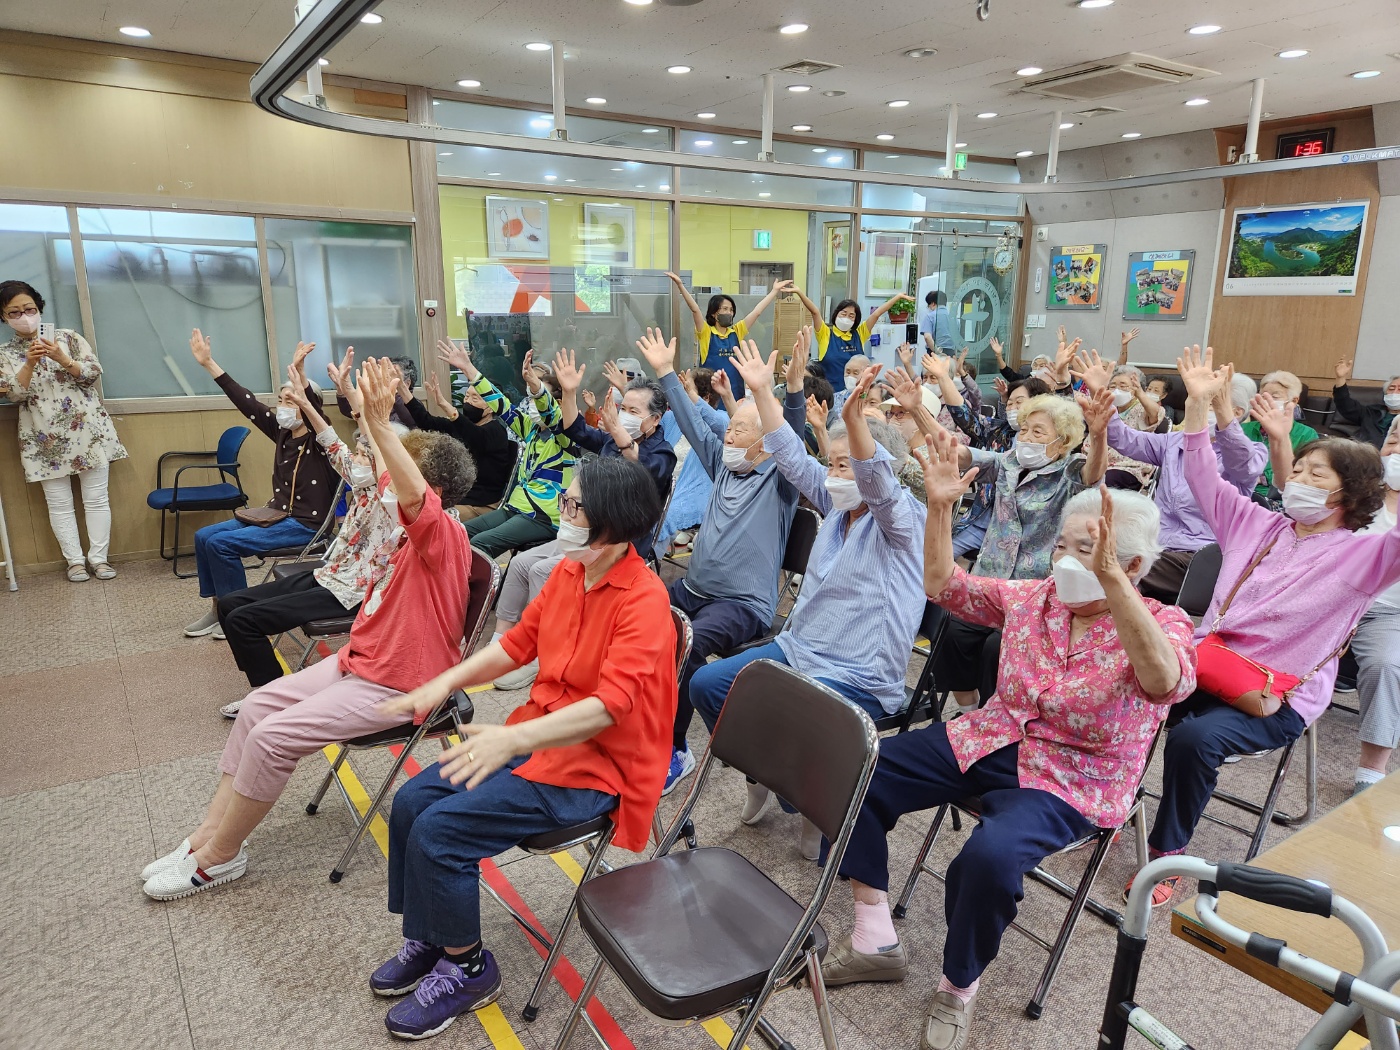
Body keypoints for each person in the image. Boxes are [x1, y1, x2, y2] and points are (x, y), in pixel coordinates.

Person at [822, 430, 1195, 1050]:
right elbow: (943, 586)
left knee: (987, 860)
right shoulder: (1035, 599)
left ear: (1133, 566)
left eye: (1088, 551)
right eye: (1063, 547)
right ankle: (874, 937)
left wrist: (1114, 587)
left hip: (1071, 777)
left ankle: (958, 984)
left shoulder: (1166, 623)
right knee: (859, 765)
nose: (1065, 561)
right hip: (991, 735)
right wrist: (939, 508)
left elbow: (1163, 683)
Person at [140, 358, 475, 901]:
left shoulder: (442, 534)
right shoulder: (405, 517)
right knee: (256, 708)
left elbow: (410, 491)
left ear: (431, 488)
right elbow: (382, 472)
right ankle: (205, 837)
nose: (384, 475)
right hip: (362, 661)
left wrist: (380, 421)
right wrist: (364, 413)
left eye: (400, 468)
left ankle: (220, 857)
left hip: (401, 682)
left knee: (272, 739)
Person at [367, 457, 674, 1041]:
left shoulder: (644, 601)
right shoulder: (569, 572)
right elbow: (515, 645)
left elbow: (609, 708)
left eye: (575, 505)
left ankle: (469, 970)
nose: (564, 511)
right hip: (536, 738)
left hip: (592, 768)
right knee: (410, 803)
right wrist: (445, 681)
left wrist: (513, 737)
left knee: (441, 832)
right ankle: (433, 936)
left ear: (611, 521)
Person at [1137, 346, 1400, 906]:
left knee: (1193, 739)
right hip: (1207, 664)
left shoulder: (1363, 556)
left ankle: (1167, 853)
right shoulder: (1255, 523)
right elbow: (1202, 474)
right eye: (1297, 469)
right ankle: (1107, 804)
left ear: (1347, 494)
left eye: (1315, 474)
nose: (1298, 478)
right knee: (1131, 687)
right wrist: (1198, 406)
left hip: (1276, 697)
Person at [692, 335, 923, 858]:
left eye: (847, 465)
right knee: (708, 685)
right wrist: (761, 392)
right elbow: (793, 458)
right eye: (834, 464)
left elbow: (877, 482)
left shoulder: (903, 520)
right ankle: (766, 775)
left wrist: (856, 423)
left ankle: (806, 800)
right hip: (800, 649)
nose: (836, 475)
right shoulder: (838, 505)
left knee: (788, 717)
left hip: (858, 673)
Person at [215, 363, 473, 708]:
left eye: (370, 454)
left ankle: (266, 696)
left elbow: (391, 467)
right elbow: (334, 443)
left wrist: (376, 421)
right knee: (230, 605)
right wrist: (347, 403)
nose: (361, 458)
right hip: (332, 573)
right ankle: (266, 692)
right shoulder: (370, 485)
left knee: (242, 620)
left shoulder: (406, 507)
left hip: (352, 590)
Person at [634, 327, 805, 795]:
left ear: (767, 443)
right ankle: (632, 720)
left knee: (683, 643)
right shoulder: (723, 465)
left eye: (740, 429)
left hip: (742, 605)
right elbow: (693, 423)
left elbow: (792, 437)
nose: (728, 434)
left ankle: (675, 750)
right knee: (631, 615)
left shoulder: (781, 479)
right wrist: (665, 372)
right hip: (694, 589)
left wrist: (789, 390)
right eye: (729, 428)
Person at [489, 349, 676, 691]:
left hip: (615, 544)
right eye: (622, 408)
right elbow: (575, 428)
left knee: (541, 570)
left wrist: (619, 433)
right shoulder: (612, 441)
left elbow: (643, 471)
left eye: (633, 412)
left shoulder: (661, 453)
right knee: (519, 564)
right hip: (584, 531)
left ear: (655, 420)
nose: (623, 416)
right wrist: (570, 392)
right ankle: (500, 644)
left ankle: (541, 655)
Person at [933, 387, 1109, 715]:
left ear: (1063, 441)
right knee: (953, 634)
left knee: (996, 648)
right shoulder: (1009, 462)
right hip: (990, 579)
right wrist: (919, 410)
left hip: (1035, 590)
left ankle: (1001, 718)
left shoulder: (1070, 472)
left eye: (1038, 432)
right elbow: (961, 453)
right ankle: (972, 714)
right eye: (1025, 429)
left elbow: (1093, 474)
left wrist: (1099, 435)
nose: (1026, 437)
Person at [183, 331, 339, 639]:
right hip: (276, 514)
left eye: (291, 401)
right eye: (280, 400)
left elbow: (316, 413)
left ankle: (235, 612)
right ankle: (218, 607)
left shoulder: (321, 441)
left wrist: (301, 378)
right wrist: (209, 364)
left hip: (306, 525)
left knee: (221, 544)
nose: (282, 407)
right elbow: (246, 402)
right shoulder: (282, 432)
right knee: (204, 537)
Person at [0, 280, 127, 582]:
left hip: (88, 430)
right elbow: (12, 394)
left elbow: (93, 374)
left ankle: (100, 560)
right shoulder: (4, 354)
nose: (24, 316)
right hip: (42, 437)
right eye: (14, 312)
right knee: (59, 504)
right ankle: (75, 562)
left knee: (97, 499)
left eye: (29, 309)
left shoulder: (68, 338)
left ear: (39, 307)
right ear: (4, 317)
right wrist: (29, 363)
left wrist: (62, 358)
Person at [1105, 367, 1268, 602]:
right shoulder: (1174, 441)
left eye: (1208, 403)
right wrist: (1102, 396)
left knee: (1120, 571)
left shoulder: (1252, 453)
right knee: (1098, 552)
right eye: (1195, 400)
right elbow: (1124, 439)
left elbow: (1243, 462)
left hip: (1201, 555)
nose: (1198, 408)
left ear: (1236, 412)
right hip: (1157, 544)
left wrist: (1223, 417)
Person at [458, 350, 576, 557]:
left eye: (537, 399)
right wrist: (468, 369)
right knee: (460, 531)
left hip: (543, 515)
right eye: (531, 398)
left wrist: (534, 383)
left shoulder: (565, 435)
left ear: (557, 404)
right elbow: (500, 403)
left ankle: (476, 579)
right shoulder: (530, 429)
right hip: (516, 507)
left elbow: (550, 412)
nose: (532, 404)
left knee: (479, 544)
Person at [399, 340, 517, 519]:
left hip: (481, 503)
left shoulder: (495, 431)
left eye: (475, 399)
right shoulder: (463, 424)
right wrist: (404, 391)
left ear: (490, 407)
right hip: (459, 498)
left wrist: (445, 405)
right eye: (466, 396)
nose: (467, 402)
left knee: (427, 518)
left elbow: (474, 436)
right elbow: (427, 422)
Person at [1351, 417, 1400, 795]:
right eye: (1395, 437)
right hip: (1337, 598)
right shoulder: (1357, 490)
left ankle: (1371, 771)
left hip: (1387, 613)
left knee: (1386, 665)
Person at [665, 271, 792, 398]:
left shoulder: (737, 331)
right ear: (714, 313)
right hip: (711, 394)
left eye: (731, 310)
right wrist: (680, 285)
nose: (729, 313)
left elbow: (757, 311)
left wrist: (774, 291)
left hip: (735, 393)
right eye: (725, 309)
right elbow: (695, 310)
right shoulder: (706, 332)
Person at [654, 367, 730, 557]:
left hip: (695, 495)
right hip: (662, 489)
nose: (679, 395)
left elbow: (722, 426)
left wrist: (690, 397)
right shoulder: (672, 418)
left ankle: (645, 565)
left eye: (685, 388)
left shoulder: (720, 419)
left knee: (661, 517)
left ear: (705, 398)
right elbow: (648, 419)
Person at [793, 289, 907, 389]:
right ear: (836, 314)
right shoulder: (826, 334)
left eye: (851, 316)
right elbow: (815, 312)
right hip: (830, 394)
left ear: (855, 320)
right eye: (843, 314)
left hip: (857, 393)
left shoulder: (860, 334)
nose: (846, 318)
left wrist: (897, 297)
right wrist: (799, 292)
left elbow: (876, 314)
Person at [1241, 369, 1318, 497]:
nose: (1267, 401)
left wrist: (1262, 477)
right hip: (1238, 492)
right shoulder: (1243, 429)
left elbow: (1303, 473)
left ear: (1294, 401)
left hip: (1277, 497)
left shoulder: (1307, 434)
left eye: (1275, 397)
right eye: (1263, 396)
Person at [1333, 358, 1400, 450]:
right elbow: (1346, 405)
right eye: (1391, 389)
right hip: (1362, 453)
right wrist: (1340, 378)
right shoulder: (1372, 412)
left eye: (1399, 389)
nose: (1394, 393)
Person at [919, 290, 956, 355]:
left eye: (929, 305)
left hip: (935, 352)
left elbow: (927, 336)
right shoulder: (953, 318)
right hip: (951, 352)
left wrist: (937, 351)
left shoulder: (930, 316)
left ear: (933, 303)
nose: (929, 308)